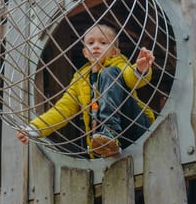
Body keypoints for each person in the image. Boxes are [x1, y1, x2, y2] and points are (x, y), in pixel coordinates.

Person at [17, 23, 155, 157]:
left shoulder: (119, 65)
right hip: (106, 143)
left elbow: (131, 78)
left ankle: (109, 130)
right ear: (85, 52)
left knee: (109, 73)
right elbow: (63, 109)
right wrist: (34, 129)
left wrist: (140, 70)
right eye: (90, 43)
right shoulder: (80, 79)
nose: (96, 46)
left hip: (134, 128)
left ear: (114, 52)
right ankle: (106, 142)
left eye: (103, 43)